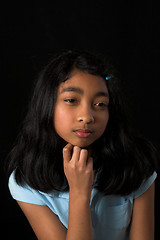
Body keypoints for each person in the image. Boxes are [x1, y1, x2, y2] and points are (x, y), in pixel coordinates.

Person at [7, 50, 158, 240]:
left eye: (100, 104)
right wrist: (79, 194)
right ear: (47, 104)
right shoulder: (26, 181)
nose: (86, 117)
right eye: (71, 100)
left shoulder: (137, 164)